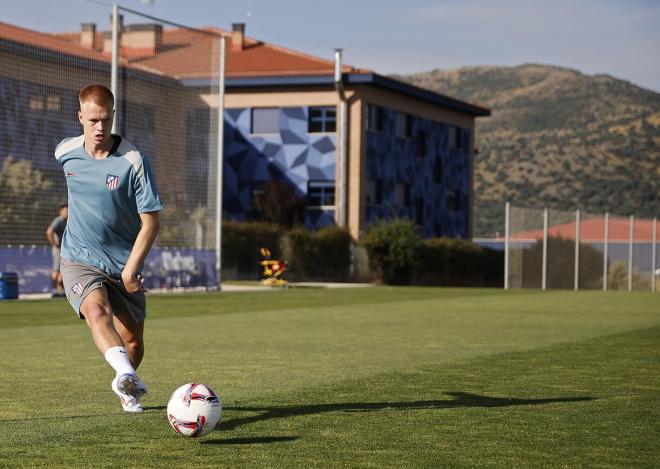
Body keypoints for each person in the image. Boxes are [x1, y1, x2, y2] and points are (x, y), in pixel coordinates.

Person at [55, 84, 163, 413]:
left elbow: (151, 222)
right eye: (92, 121)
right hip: (78, 257)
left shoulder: (133, 160)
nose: (100, 127)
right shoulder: (64, 152)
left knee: (132, 340)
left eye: (105, 119)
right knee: (96, 312)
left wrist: (131, 269)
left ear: (113, 116)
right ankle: (126, 375)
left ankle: (127, 383)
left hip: (122, 264)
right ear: (80, 117)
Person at [46, 204, 68, 297]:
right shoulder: (59, 220)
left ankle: (60, 291)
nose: (67, 213)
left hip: (65, 249)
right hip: (58, 249)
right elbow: (49, 232)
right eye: (66, 211)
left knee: (62, 271)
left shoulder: (68, 221)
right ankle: (54, 290)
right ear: (61, 212)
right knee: (56, 270)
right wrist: (54, 244)